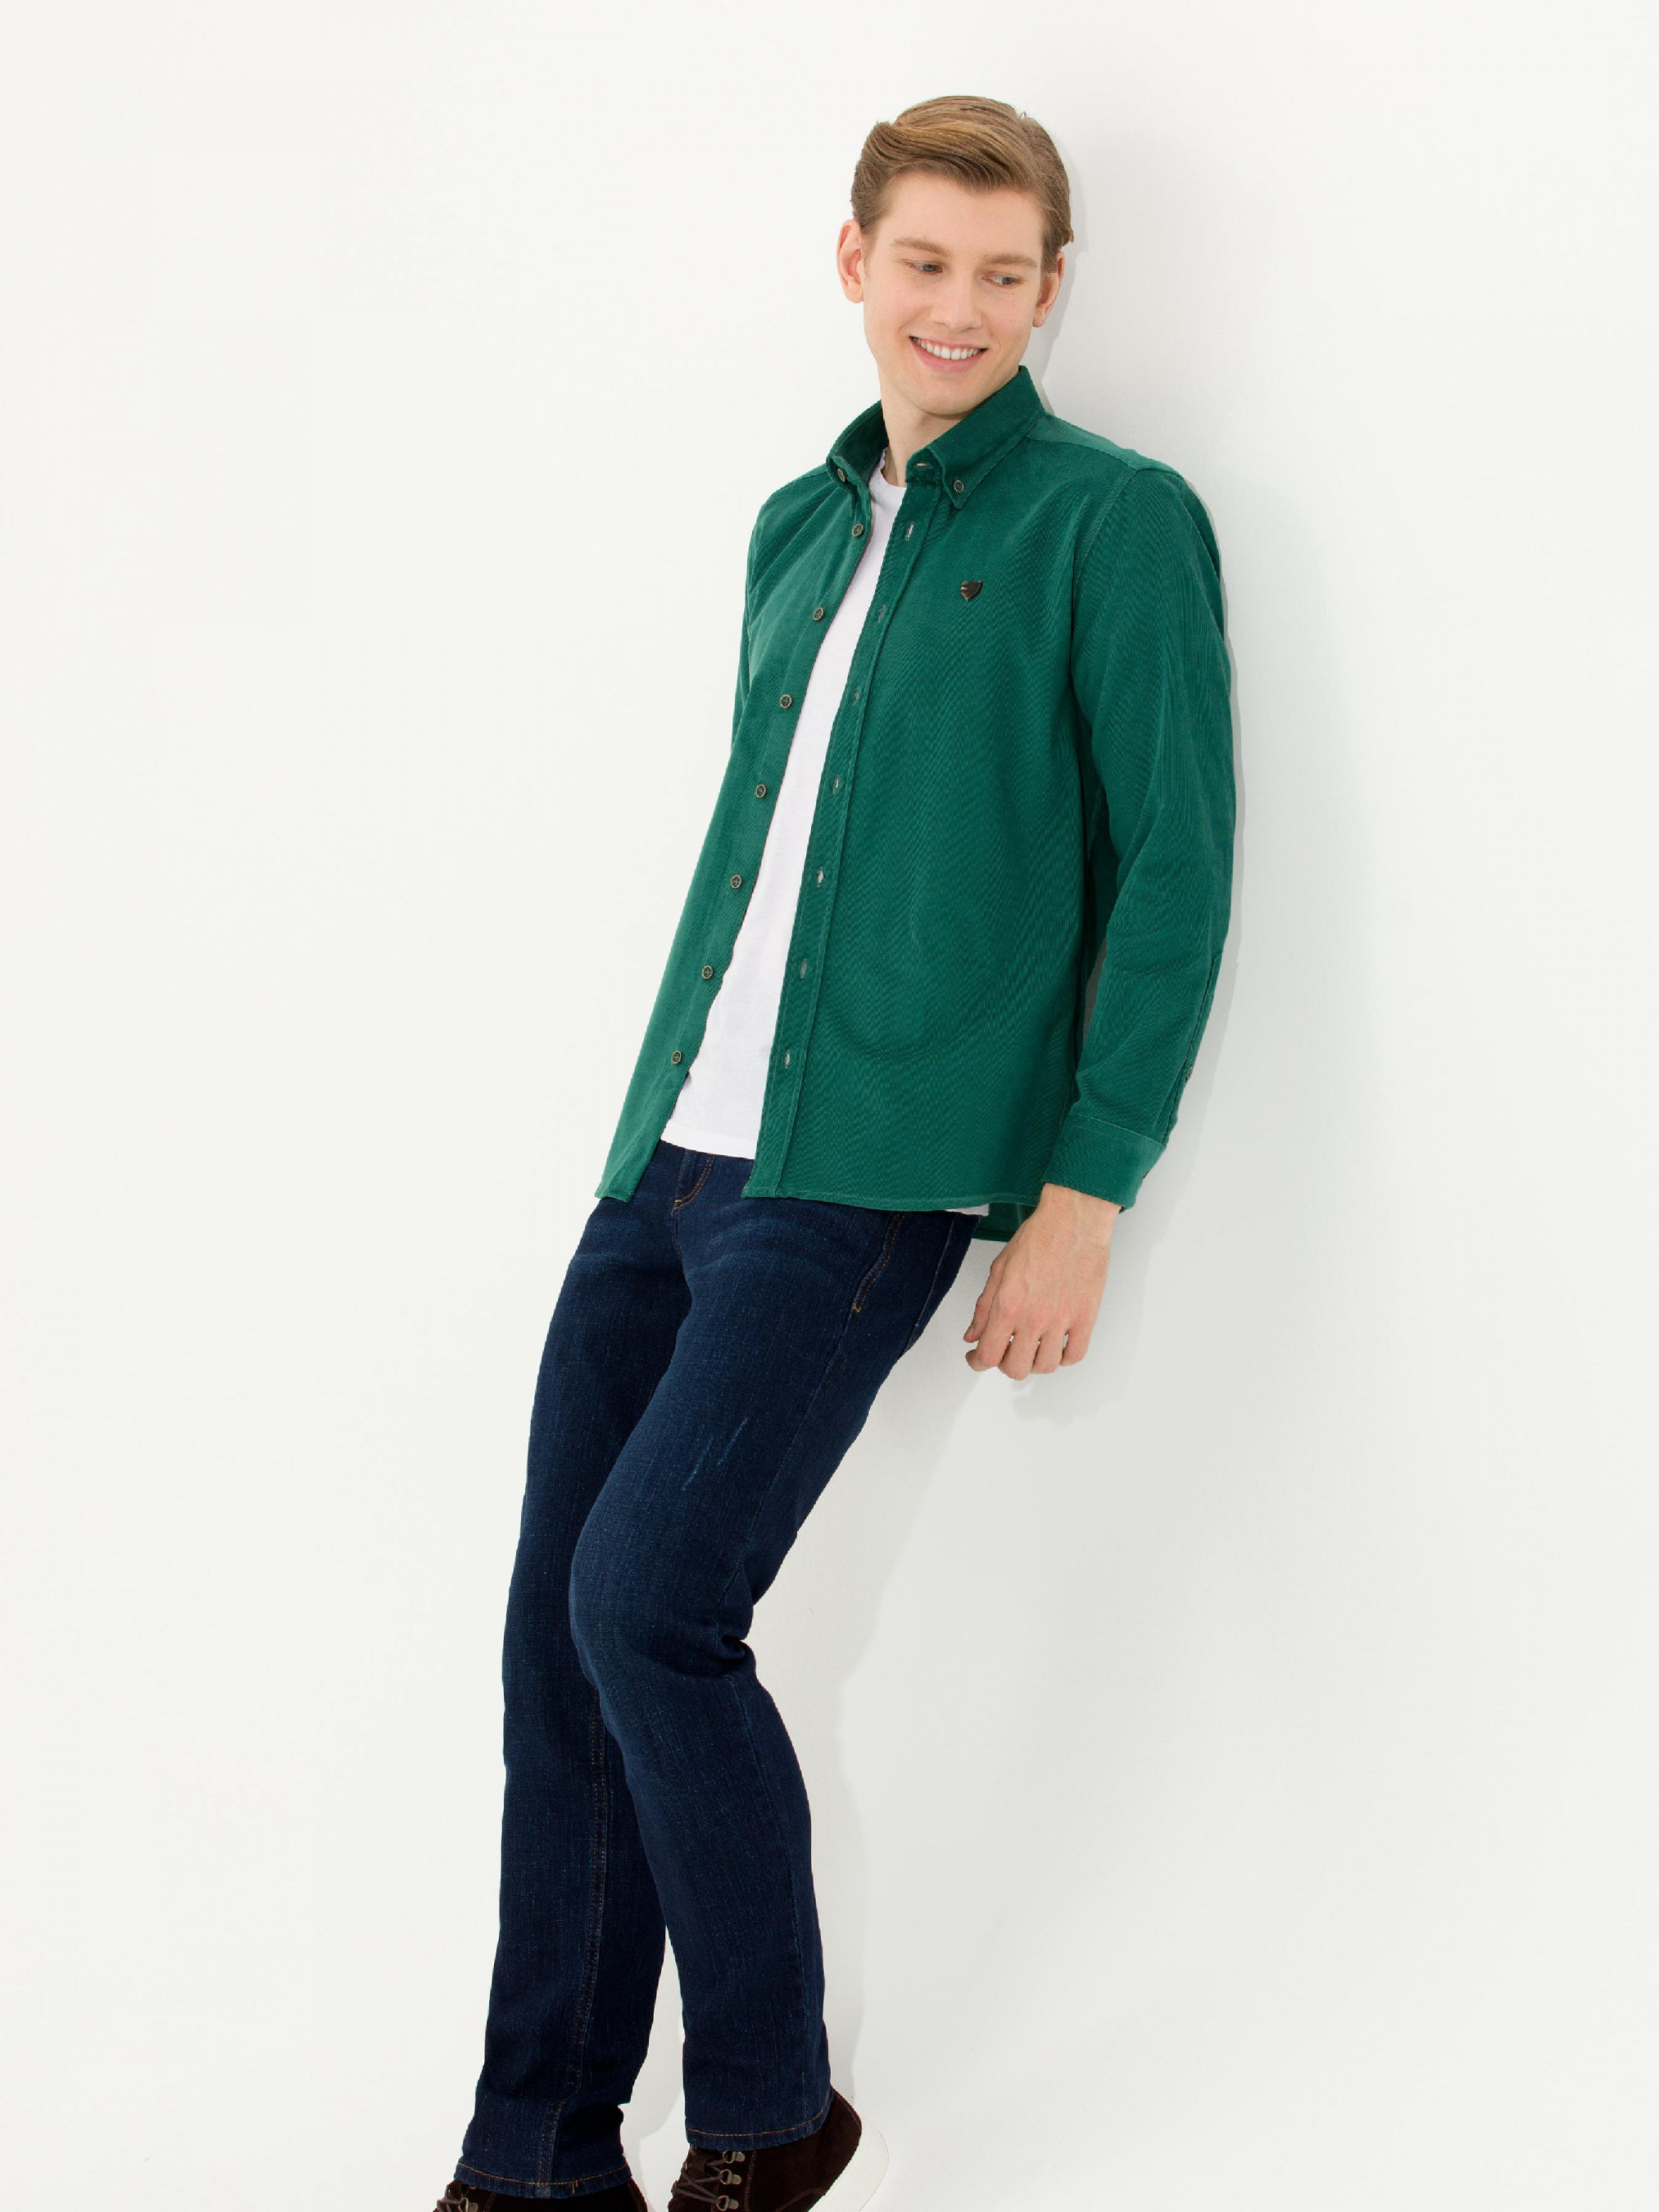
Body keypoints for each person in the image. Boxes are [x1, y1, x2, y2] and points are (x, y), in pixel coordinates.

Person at [435, 91, 1235, 2212]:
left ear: (1050, 292)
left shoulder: (1110, 520)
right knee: (557, 1652)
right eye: (925, 262)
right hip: (667, 1161)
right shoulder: (797, 528)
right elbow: (755, 852)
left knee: (647, 1604)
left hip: (866, 1174)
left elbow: (1172, 870)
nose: (958, 306)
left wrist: (1082, 1189)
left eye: (1003, 273)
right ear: (855, 261)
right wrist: (645, 1139)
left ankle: (770, 2110)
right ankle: (536, 2153)